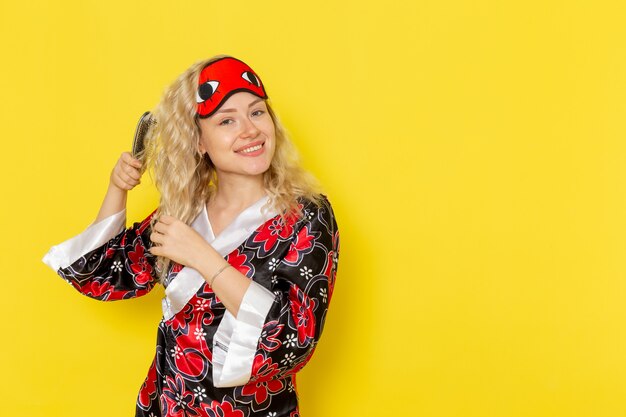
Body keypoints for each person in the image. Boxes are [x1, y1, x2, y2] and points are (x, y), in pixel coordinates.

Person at [42, 55, 339, 417]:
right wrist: (117, 188)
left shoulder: (305, 215)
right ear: (199, 141)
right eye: (227, 120)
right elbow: (102, 273)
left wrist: (204, 258)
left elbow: (294, 338)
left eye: (257, 112)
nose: (250, 130)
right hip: (165, 406)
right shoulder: (183, 213)